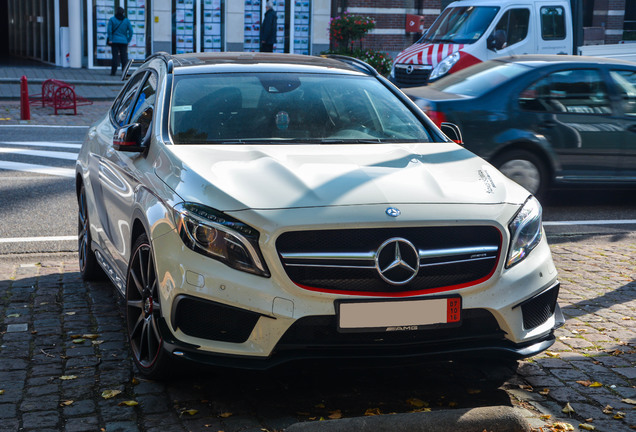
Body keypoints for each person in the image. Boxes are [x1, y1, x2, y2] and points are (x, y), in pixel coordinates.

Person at [108, 7, 134, 76]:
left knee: (115, 57)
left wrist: (110, 39)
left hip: (114, 41)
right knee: (124, 58)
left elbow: (109, 30)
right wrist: (128, 40)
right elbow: (131, 31)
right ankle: (124, 72)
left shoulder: (112, 20)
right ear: (123, 13)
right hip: (124, 41)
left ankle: (113, 72)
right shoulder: (126, 21)